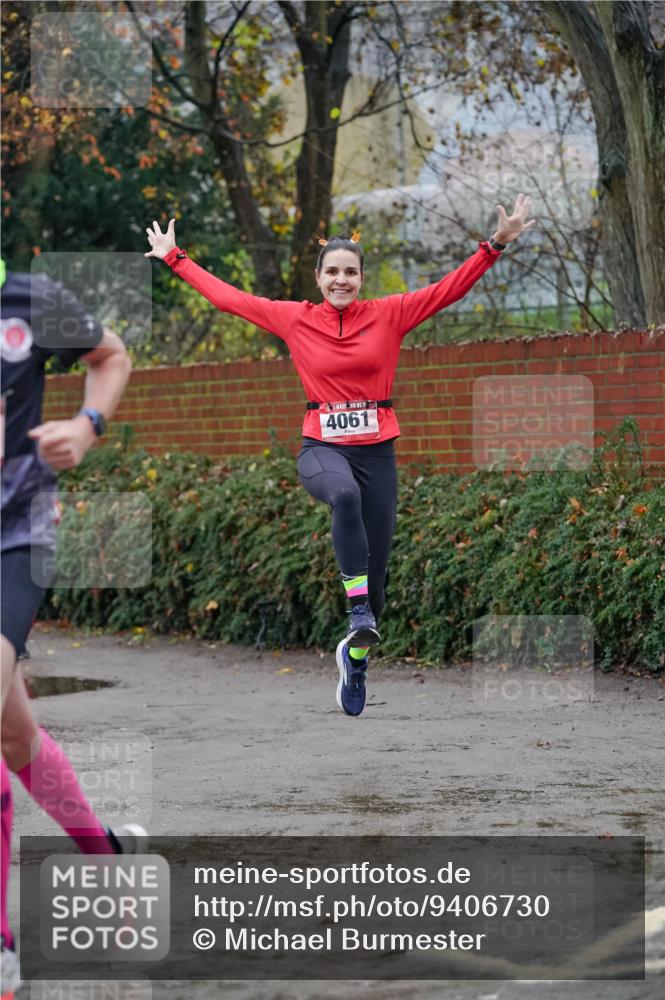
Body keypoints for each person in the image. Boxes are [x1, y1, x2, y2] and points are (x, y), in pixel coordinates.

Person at [144, 194, 535, 718]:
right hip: (322, 449)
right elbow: (230, 299)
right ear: (318, 276)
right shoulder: (294, 319)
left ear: (361, 278)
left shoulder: (391, 315)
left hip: (378, 455)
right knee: (343, 498)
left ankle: (355, 657)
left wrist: (496, 244)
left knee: (378, 586)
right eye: (333, 272)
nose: (341, 280)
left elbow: (448, 290)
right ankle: (355, 613)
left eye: (350, 272)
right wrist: (176, 258)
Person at [0, 259, 144, 997]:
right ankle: (109, 856)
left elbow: (111, 354)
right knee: (13, 736)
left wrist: (87, 427)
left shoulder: (26, 297)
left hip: (13, 538)